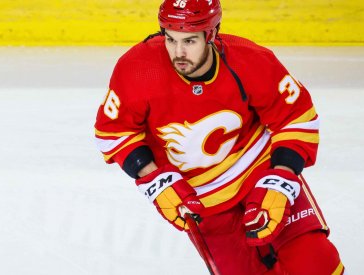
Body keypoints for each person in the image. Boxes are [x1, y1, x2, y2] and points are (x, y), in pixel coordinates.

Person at [94, 0, 344, 274]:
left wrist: (281, 178)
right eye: (170, 39)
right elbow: (113, 131)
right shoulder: (138, 69)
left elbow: (295, 117)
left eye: (189, 41)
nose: (178, 53)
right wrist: (155, 180)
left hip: (260, 173)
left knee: (316, 263)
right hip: (200, 200)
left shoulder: (250, 59)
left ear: (211, 34)